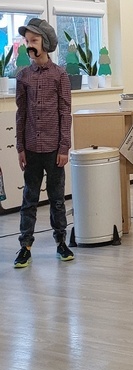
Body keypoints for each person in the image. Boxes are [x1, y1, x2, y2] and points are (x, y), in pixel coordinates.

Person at [13, 18, 73, 268]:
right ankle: (25, 246)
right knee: (29, 198)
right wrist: (20, 147)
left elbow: (65, 113)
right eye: (27, 41)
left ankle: (61, 242)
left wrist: (64, 147)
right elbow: (21, 114)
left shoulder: (60, 75)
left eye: (34, 40)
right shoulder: (23, 76)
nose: (30, 45)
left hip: (53, 149)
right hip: (31, 149)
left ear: (45, 43)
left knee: (57, 199)